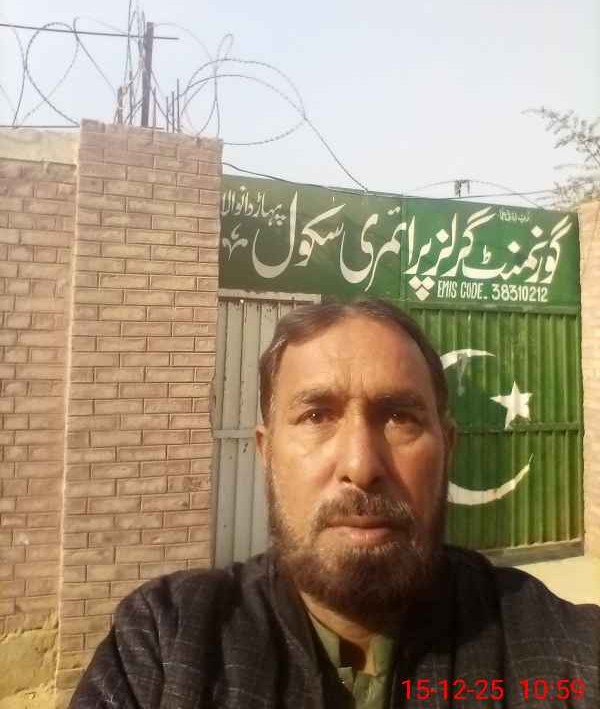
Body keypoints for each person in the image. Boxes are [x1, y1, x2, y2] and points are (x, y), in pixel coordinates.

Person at [70, 298, 599, 708]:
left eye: (400, 417)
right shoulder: (164, 646)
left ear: (448, 448)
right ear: (266, 452)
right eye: (317, 416)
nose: (361, 465)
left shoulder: (557, 648)